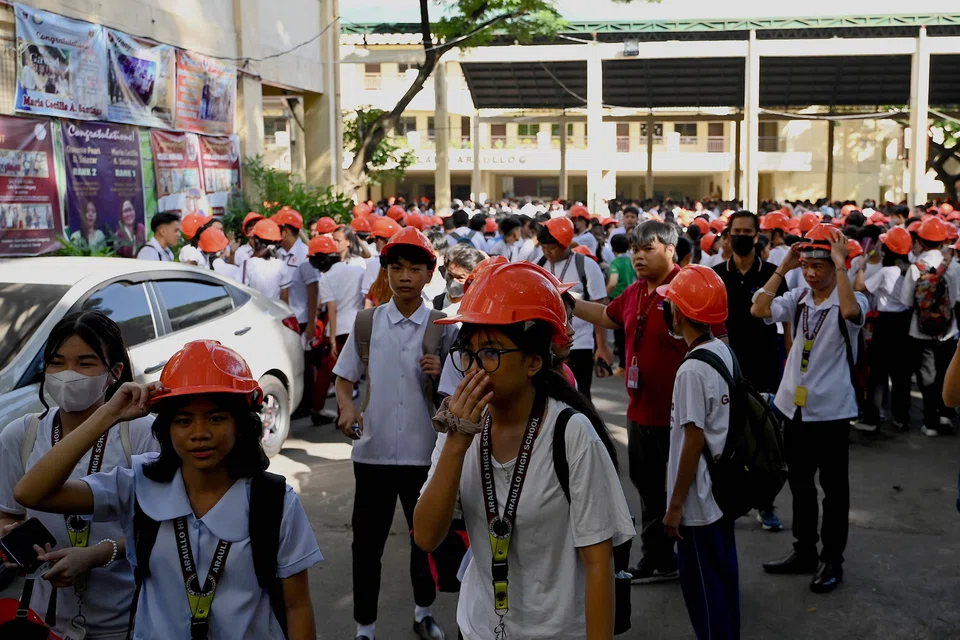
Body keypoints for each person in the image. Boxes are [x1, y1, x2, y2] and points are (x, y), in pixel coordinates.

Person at [13, 340, 322, 639]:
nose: (200, 433)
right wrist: (109, 415)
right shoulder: (139, 483)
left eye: (216, 418)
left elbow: (297, 607)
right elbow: (32, 493)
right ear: (166, 428)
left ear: (240, 424)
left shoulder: (274, 501)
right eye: (184, 420)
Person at [414, 261, 635, 640]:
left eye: (492, 353)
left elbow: (599, 565)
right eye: (469, 352)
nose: (474, 370)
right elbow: (426, 536)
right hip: (479, 628)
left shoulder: (571, 433)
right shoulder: (459, 430)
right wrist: (456, 443)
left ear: (533, 361)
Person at [572, 221, 727, 585]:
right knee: (647, 488)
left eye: (648, 249)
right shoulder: (636, 291)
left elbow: (717, 342)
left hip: (681, 417)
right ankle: (658, 557)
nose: (638, 257)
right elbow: (606, 316)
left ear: (671, 250)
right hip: (639, 411)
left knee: (684, 491)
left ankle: (692, 562)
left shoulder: (687, 289)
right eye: (634, 250)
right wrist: (568, 303)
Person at [0, 311, 158, 640]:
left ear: (114, 373)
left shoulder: (142, 435)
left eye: (85, 363)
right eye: (57, 362)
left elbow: (167, 530)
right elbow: (8, 512)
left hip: (129, 621)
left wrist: (100, 553)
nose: (67, 374)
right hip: (45, 621)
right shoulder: (21, 435)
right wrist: (11, 540)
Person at [333, 227, 457, 640]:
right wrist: (347, 407)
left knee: (425, 541)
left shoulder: (443, 326)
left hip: (425, 455)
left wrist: (440, 374)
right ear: (385, 273)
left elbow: (458, 391)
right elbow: (344, 378)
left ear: (429, 274)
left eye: (415, 268)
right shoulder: (367, 322)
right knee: (366, 548)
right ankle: (364, 627)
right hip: (373, 455)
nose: (405, 276)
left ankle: (424, 611)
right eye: (396, 267)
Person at [751, 224, 868, 594]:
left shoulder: (854, 298)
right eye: (807, 265)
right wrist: (783, 266)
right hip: (795, 409)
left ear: (835, 265)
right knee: (801, 487)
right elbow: (759, 308)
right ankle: (804, 551)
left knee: (834, 491)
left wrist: (843, 265)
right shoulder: (800, 296)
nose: (812, 272)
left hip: (831, 412)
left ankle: (832, 560)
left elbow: (850, 312)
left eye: (820, 265)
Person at [659, 265, 740, 640]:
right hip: (722, 492)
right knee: (723, 583)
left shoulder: (691, 369)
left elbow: (692, 440)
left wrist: (675, 506)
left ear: (679, 313)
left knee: (704, 594)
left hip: (698, 500)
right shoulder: (721, 350)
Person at [713, 210, 786, 532]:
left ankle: (766, 504)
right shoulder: (714, 275)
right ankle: (728, 501)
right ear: (727, 236)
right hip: (727, 368)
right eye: (736, 231)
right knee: (726, 440)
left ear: (757, 236)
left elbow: (787, 326)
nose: (741, 236)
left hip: (767, 368)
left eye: (747, 231)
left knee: (766, 441)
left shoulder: (773, 275)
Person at [899, 217, 960, 437]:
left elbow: (906, 301)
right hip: (948, 330)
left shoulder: (917, 267)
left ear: (921, 241)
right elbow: (956, 299)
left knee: (926, 376)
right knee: (944, 372)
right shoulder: (953, 266)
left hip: (920, 330)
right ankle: (945, 414)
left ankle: (930, 422)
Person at [536, 217, 608, 398]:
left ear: (565, 243)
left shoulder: (586, 265)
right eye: (544, 248)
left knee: (581, 396)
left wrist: (602, 346)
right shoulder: (540, 265)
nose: (548, 252)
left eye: (552, 248)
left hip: (580, 342)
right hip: (549, 344)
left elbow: (600, 309)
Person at [854, 226, 912, 431]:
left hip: (886, 323)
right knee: (901, 374)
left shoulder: (886, 272)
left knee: (878, 373)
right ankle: (901, 417)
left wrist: (860, 267)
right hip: (906, 323)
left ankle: (872, 418)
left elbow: (860, 287)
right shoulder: (910, 268)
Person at [242, 219, 292, 303]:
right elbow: (285, 296)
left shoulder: (247, 264)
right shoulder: (281, 265)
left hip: (255, 312)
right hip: (276, 313)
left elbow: (242, 293)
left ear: (256, 241)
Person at [606, 233, 635, 375]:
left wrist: (605, 294)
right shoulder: (631, 261)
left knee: (619, 336)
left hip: (618, 300)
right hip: (632, 299)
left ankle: (623, 365)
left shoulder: (615, 263)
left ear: (612, 248)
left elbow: (612, 282)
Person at [360, 217, 403, 301]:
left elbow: (367, 296)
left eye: (375, 239)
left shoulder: (373, 263)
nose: (375, 242)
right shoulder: (405, 260)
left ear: (380, 240)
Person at [434, 243, 484, 312]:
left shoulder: (477, 308)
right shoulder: (436, 302)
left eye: (460, 278)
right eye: (450, 275)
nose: (453, 282)